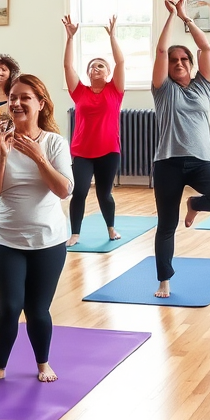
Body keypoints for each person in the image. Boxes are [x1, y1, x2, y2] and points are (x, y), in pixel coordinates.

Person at [0, 75, 73, 388]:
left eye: (25, 97)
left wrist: (39, 157)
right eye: (13, 98)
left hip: (49, 239)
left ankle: (42, 361)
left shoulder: (55, 143)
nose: (16, 103)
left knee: (37, 309)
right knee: (8, 306)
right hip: (7, 238)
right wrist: (4, 155)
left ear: (40, 104)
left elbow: (63, 190)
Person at [151, 0, 210, 298]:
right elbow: (160, 52)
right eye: (175, 60)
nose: (180, 62)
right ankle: (164, 280)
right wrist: (171, 15)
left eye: (185, 58)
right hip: (168, 162)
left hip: (200, 160)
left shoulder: (203, 86)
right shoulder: (163, 89)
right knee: (166, 224)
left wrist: (186, 17)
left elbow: (205, 47)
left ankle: (194, 204)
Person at [62, 14, 125, 246]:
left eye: (100, 66)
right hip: (82, 151)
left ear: (107, 73)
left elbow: (121, 63)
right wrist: (70, 38)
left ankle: (111, 228)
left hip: (109, 151)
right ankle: (75, 233)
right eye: (92, 66)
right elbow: (68, 66)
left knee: (104, 193)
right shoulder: (80, 92)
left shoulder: (115, 90)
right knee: (79, 191)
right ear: (87, 73)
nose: (95, 68)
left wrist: (112, 37)